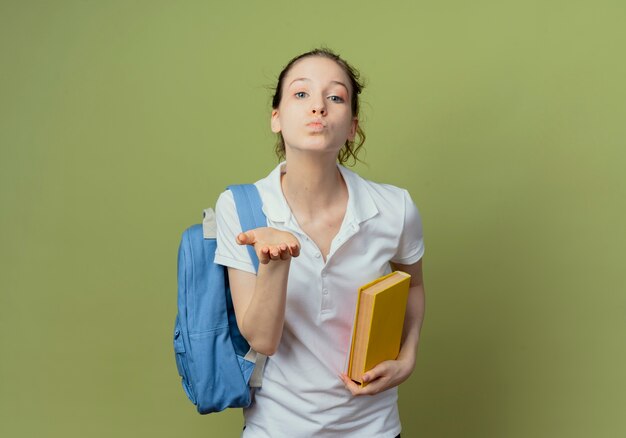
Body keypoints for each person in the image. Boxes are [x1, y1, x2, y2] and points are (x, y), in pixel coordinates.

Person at [214, 48, 425, 438]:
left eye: (335, 96)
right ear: (275, 118)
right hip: (276, 429)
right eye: (300, 94)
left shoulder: (395, 207)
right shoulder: (241, 208)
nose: (318, 107)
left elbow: (412, 284)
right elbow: (261, 339)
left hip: (374, 428)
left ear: (352, 127)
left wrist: (407, 358)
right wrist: (275, 259)